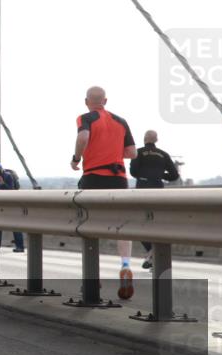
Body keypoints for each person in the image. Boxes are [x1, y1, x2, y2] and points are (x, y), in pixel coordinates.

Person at [70, 86, 136, 276]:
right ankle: (125, 265)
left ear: (86, 102)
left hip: (93, 177)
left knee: (90, 224)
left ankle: (92, 274)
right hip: (118, 179)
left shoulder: (86, 118)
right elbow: (132, 153)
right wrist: (113, 151)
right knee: (122, 225)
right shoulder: (121, 121)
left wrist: (76, 159)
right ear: (105, 101)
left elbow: (83, 138)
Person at [129, 130, 180, 269]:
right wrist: (159, 175)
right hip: (158, 192)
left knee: (139, 223)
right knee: (155, 223)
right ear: (156, 140)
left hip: (142, 191)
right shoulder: (163, 154)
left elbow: (133, 172)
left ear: (145, 139)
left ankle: (151, 252)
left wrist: (146, 175)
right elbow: (174, 175)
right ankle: (153, 255)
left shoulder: (137, 152)